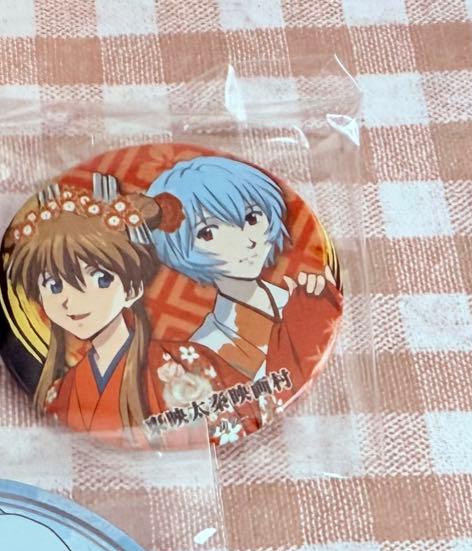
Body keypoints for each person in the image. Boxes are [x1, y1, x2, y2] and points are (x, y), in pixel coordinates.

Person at [146, 154, 342, 432]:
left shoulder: (301, 295)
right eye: (208, 233)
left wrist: (316, 306)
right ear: (180, 251)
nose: (246, 241)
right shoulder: (206, 346)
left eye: (252, 218)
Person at [4, 173, 195, 441]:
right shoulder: (61, 391)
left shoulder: (181, 367)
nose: (71, 300)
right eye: (54, 286)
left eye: (100, 279)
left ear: (132, 289)